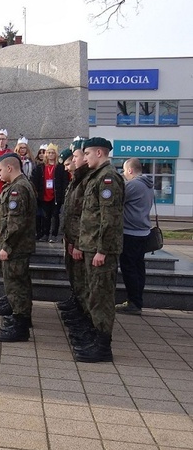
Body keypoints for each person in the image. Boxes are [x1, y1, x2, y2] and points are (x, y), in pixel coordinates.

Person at [74, 137, 124, 362]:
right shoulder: (96, 177)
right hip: (91, 246)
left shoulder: (107, 178)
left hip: (100, 250)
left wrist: (102, 250)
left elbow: (109, 218)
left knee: (101, 297)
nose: (84, 158)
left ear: (99, 153)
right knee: (94, 294)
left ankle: (103, 347)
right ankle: (96, 336)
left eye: (87, 154)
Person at [0, 153, 37, 342]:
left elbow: (16, 222)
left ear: (10, 168)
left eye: (0, 170)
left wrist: (7, 246)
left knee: (16, 286)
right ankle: (21, 319)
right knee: (19, 284)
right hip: (19, 246)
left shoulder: (18, 189)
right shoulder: (19, 185)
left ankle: (20, 327)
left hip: (16, 247)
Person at [116, 157, 154, 315]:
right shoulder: (148, 184)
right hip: (143, 232)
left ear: (130, 170)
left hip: (131, 232)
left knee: (129, 268)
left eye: (124, 171)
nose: (124, 174)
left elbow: (116, 200)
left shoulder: (133, 185)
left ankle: (134, 302)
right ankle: (137, 300)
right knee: (138, 268)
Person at [57, 141, 90, 316]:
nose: (67, 167)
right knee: (75, 276)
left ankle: (82, 312)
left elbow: (85, 216)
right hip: (73, 237)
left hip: (82, 240)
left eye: (70, 161)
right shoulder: (75, 181)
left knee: (83, 279)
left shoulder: (85, 181)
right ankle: (76, 301)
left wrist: (77, 242)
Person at [31, 143, 69, 243]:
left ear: (56, 154)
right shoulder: (40, 167)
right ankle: (45, 233)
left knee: (55, 215)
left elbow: (64, 181)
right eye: (49, 153)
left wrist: (63, 195)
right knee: (45, 216)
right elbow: (35, 181)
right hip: (44, 195)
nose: (50, 154)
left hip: (56, 195)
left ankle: (54, 234)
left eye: (53, 153)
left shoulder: (60, 167)